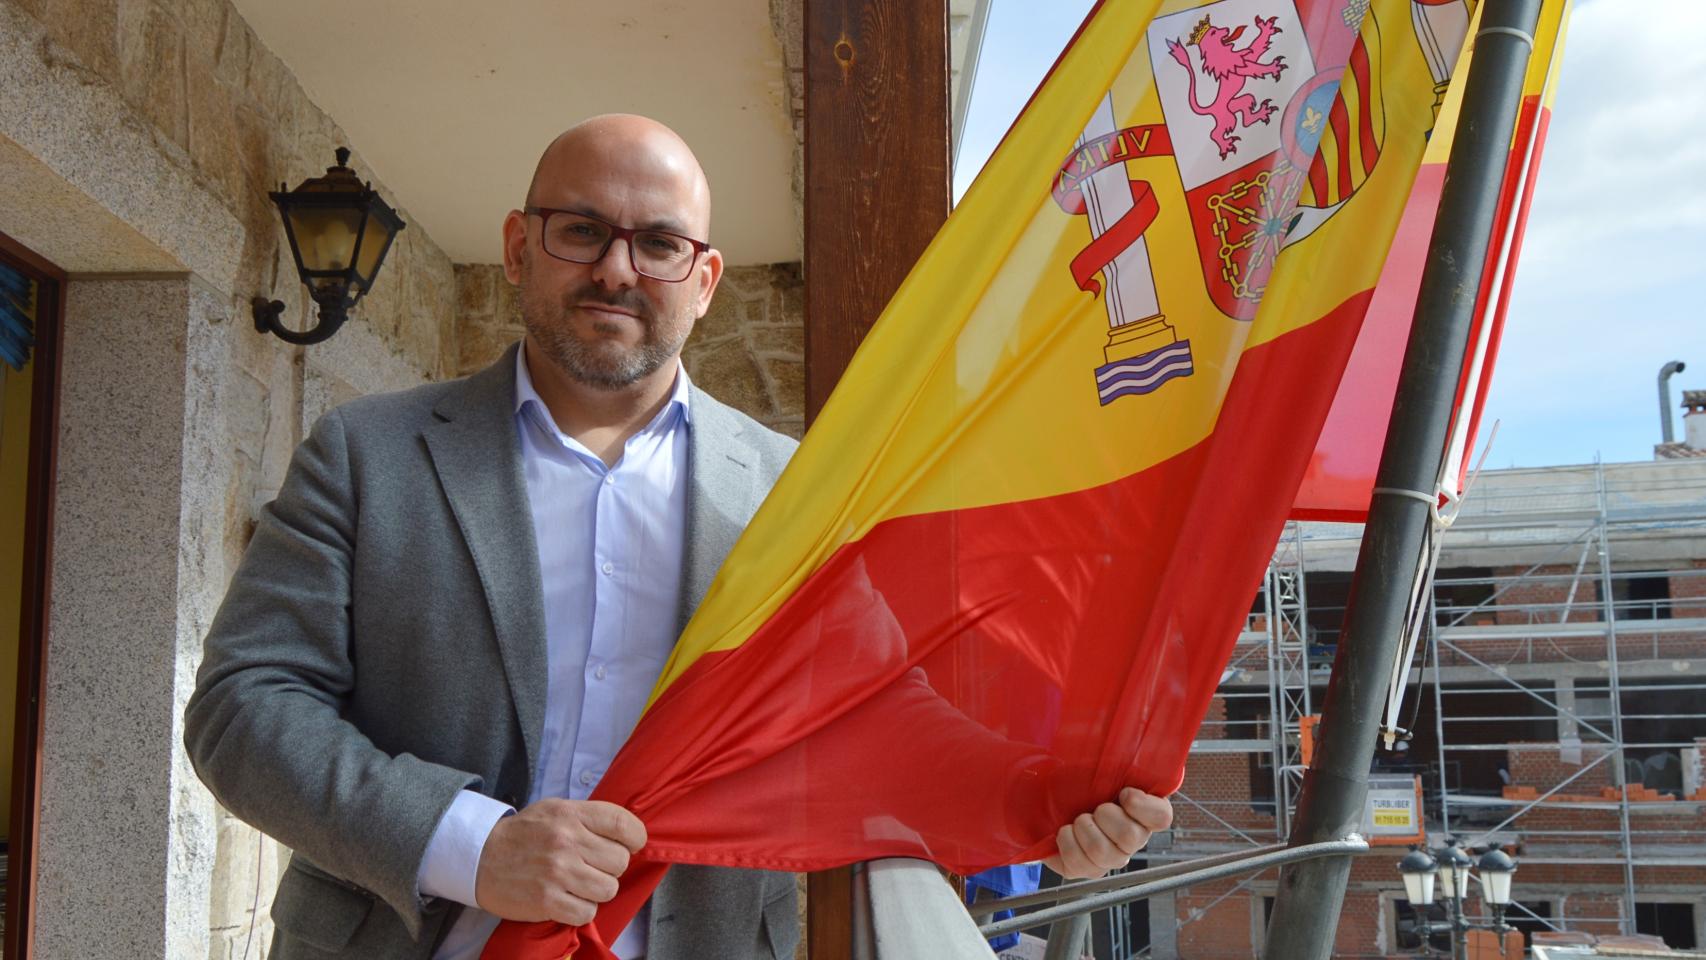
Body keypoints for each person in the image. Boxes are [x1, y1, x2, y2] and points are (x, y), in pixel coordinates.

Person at [184, 115, 1173, 960]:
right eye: (581, 230)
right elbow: (243, 705)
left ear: (703, 279)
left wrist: (1045, 803)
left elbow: (878, 720)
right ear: (518, 249)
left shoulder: (797, 497)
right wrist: (470, 842)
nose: (618, 269)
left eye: (657, 243)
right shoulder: (368, 454)